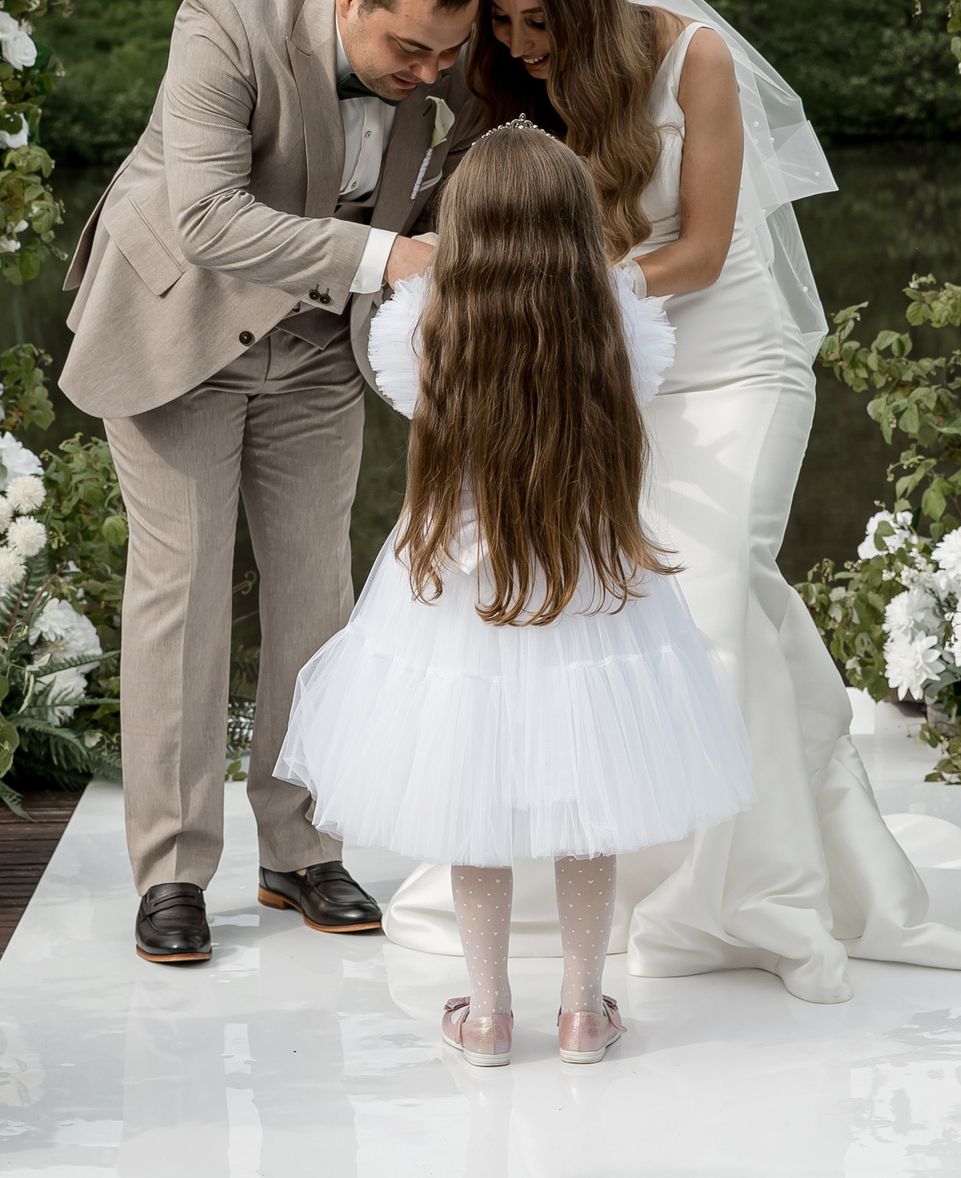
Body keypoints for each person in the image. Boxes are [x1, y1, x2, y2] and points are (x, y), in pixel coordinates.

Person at [383, 0, 961, 1002]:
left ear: (595, 2)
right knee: (627, 604)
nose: (520, 46)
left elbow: (698, 251)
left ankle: (754, 892)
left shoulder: (694, 60)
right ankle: (642, 863)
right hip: (622, 372)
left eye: (539, 22)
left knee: (718, 580)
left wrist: (565, 288)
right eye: (504, 25)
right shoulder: (525, 83)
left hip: (735, 361)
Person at [57, 0, 490, 966]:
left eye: (448, 52)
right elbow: (203, 217)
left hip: (314, 353)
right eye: (408, 48)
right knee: (186, 595)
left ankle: (300, 846)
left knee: (318, 599)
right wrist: (389, 260)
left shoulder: (434, 68)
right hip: (180, 336)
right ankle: (171, 870)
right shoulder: (225, 19)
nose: (429, 72)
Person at [276, 125, 754, 1064]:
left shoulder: (422, 320)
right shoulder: (617, 312)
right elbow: (630, 419)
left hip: (459, 592)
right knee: (593, 799)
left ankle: (489, 1013)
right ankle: (582, 1008)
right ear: (578, 221)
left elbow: (418, 432)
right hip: (587, 581)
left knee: (470, 799)